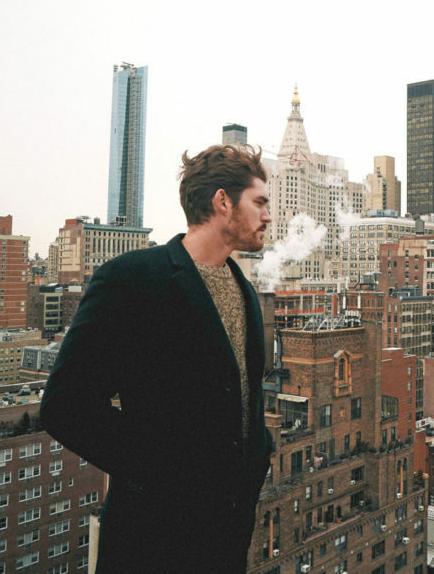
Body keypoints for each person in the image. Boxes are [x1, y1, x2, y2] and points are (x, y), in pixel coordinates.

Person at [40, 145, 275, 573]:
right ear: (223, 202)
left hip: (225, 543)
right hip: (151, 541)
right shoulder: (133, 279)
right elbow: (65, 406)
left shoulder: (244, 290)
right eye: (259, 202)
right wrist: (163, 475)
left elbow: (243, 396)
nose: (268, 215)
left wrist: (259, 455)